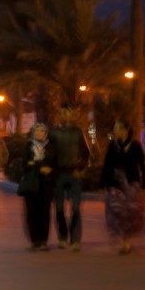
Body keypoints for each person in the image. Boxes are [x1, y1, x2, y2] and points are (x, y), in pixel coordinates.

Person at [100, 119, 145, 254]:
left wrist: (144, 187)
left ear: (125, 130)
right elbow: (107, 166)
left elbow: (143, 167)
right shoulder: (112, 146)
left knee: (129, 213)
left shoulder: (136, 146)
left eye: (117, 128)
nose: (114, 131)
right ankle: (122, 240)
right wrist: (103, 184)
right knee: (116, 212)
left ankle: (127, 242)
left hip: (132, 184)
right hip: (115, 184)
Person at [50, 107, 91, 250]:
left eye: (67, 113)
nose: (64, 115)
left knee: (76, 208)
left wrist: (80, 169)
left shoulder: (78, 132)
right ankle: (62, 237)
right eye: (61, 113)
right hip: (59, 174)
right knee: (59, 208)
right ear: (58, 115)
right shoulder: (53, 133)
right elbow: (49, 154)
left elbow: (86, 154)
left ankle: (75, 239)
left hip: (74, 174)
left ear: (72, 115)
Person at [19, 123, 56, 251]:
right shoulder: (28, 146)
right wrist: (41, 166)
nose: (39, 133)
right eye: (37, 131)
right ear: (33, 133)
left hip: (46, 184)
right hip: (31, 184)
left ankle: (43, 240)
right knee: (31, 212)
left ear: (45, 133)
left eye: (42, 131)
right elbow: (24, 164)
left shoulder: (50, 147)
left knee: (45, 212)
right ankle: (34, 240)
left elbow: (53, 163)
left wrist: (34, 163)